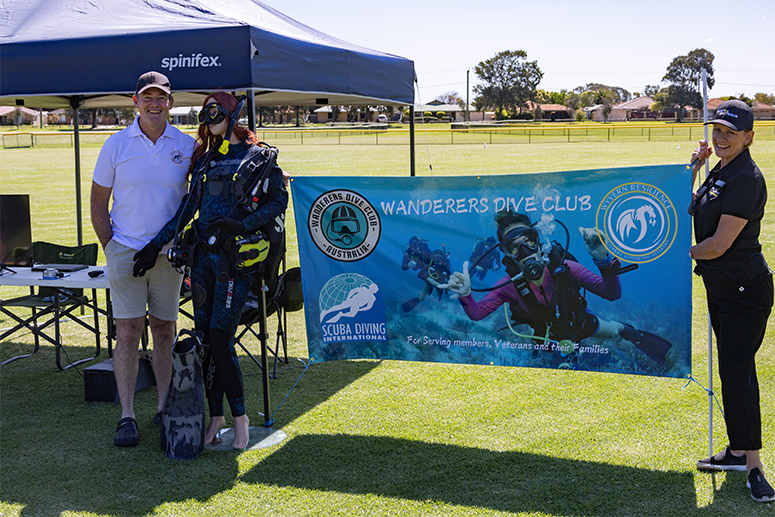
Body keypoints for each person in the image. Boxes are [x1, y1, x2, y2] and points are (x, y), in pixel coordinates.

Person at [138, 91, 288, 449]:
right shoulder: (204, 161)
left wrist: (245, 224)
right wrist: (155, 245)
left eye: (215, 110)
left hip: (233, 263)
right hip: (201, 262)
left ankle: (241, 421)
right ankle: (215, 417)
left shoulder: (259, 158)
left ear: (233, 111)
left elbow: (279, 201)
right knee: (206, 344)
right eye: (205, 112)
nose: (209, 117)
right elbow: (187, 209)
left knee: (222, 342)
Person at [91, 71, 196, 447]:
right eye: (147, 97)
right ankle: (128, 416)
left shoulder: (185, 145)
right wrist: (112, 247)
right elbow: (98, 202)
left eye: (161, 97)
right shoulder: (116, 145)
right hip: (125, 252)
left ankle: (166, 408)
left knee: (164, 331)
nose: (155, 103)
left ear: (170, 102)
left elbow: (205, 186)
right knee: (129, 331)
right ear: (135, 101)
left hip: (168, 257)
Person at [443, 210, 672, 365]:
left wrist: (603, 261)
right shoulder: (508, 285)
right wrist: (466, 295)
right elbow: (477, 313)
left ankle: (628, 329)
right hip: (548, 336)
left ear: (539, 240)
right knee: (558, 362)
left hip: (578, 322)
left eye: (529, 241)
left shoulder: (564, 267)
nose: (525, 252)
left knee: (612, 332)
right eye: (514, 247)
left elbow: (611, 294)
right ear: (506, 253)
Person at [689, 100, 774, 503]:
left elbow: (719, 245)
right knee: (730, 371)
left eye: (730, 132)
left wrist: (678, 251)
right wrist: (695, 167)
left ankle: (754, 466)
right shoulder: (719, 170)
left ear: (749, 138)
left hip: (745, 291)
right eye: (716, 130)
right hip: (722, 289)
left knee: (738, 373)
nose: (720, 138)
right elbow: (692, 208)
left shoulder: (747, 178)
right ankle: (738, 451)